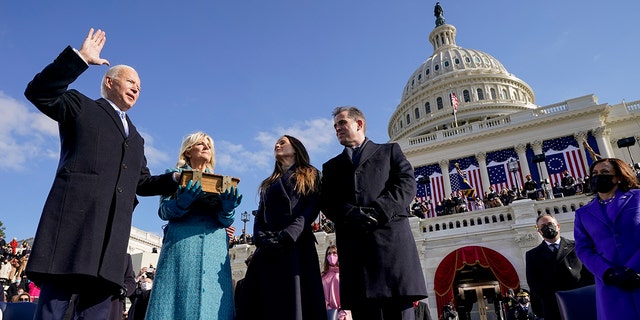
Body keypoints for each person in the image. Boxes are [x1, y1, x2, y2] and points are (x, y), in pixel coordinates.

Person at [23, 28, 180, 320]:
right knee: (53, 310)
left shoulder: (136, 137)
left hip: (111, 241)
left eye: (140, 86)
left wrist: (174, 179)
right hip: (74, 228)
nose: (137, 88)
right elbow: (39, 92)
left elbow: (142, 183)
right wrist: (79, 59)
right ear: (109, 82)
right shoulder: (80, 106)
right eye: (131, 81)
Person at [320, 106, 428, 320]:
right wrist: (352, 214)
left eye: (342, 123)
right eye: (335, 126)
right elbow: (327, 201)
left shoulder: (389, 152)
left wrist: (378, 210)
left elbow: (406, 185)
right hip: (357, 260)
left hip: (392, 254)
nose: (337, 129)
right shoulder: (331, 166)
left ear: (359, 123)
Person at [145, 132, 241, 320]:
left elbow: (226, 221)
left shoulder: (221, 182)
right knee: (174, 303)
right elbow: (164, 211)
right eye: (201, 143)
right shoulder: (172, 175)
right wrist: (182, 203)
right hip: (182, 247)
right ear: (188, 151)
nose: (207, 147)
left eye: (209, 145)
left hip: (215, 250)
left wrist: (228, 209)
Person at [237, 135, 326, 320]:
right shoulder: (268, 183)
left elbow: (311, 209)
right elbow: (260, 214)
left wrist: (288, 234)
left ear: (296, 148)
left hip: (296, 245)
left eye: (283, 142)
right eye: (276, 143)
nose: (277, 144)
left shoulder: (311, 174)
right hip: (268, 248)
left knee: (297, 303)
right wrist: (260, 238)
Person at [574, 158, 640, 319]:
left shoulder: (638, 198)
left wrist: (632, 267)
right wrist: (608, 272)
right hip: (611, 286)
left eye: (604, 172)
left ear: (618, 176)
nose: (598, 176)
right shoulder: (583, 213)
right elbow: (583, 249)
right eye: (594, 173)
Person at [525, 213, 593, 320]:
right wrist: (552, 296)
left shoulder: (576, 246)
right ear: (539, 231)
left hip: (579, 299)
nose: (548, 227)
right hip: (553, 305)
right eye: (543, 226)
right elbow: (533, 282)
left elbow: (589, 273)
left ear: (558, 226)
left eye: (550, 224)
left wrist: (581, 291)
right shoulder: (532, 255)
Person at [321, 245, 352, 320]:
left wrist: (343, 311)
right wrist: (328, 308)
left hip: (344, 314)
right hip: (328, 313)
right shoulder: (323, 276)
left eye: (334, 253)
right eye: (329, 253)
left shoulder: (345, 274)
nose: (331, 255)